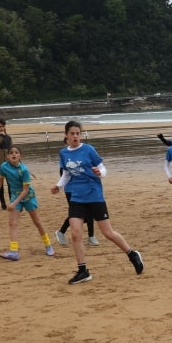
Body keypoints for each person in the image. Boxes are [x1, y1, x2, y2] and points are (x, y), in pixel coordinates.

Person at [50, 120, 143, 285]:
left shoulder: (88, 149)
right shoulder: (63, 153)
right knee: (75, 233)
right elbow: (66, 174)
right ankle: (83, 270)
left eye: (78, 133)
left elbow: (103, 168)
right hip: (76, 198)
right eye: (72, 134)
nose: (75, 136)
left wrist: (99, 173)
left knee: (108, 233)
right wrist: (58, 186)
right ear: (66, 135)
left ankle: (132, 254)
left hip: (94, 196)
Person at [0, 145, 55, 260]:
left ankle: (48, 245)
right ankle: (14, 252)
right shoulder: (4, 167)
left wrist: (13, 203)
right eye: (11, 153)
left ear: (20, 156)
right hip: (15, 196)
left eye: (16, 152)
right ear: (7, 156)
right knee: (12, 223)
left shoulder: (24, 170)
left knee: (37, 221)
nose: (14, 154)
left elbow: (25, 190)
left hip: (28, 197)